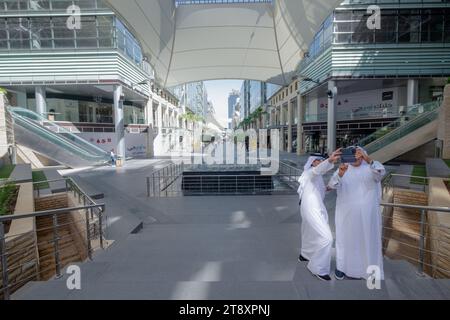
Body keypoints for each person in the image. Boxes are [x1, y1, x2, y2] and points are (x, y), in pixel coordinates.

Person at [328, 147, 386, 281]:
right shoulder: (343, 169)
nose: (356, 159)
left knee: (368, 241)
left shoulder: (371, 169)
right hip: (346, 215)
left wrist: (368, 159)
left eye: (359, 156)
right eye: (354, 156)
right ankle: (342, 268)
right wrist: (340, 175)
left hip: (367, 216)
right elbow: (331, 185)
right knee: (345, 241)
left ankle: (370, 271)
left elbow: (380, 172)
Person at [297, 149, 342, 281]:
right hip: (312, 209)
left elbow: (320, 187)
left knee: (308, 231)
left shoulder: (317, 176)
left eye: (321, 160)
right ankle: (318, 268)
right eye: (318, 161)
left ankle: (305, 254)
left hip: (311, 208)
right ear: (312, 162)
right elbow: (317, 171)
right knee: (327, 238)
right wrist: (329, 160)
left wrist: (330, 185)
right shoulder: (309, 172)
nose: (320, 162)